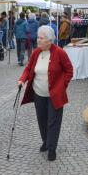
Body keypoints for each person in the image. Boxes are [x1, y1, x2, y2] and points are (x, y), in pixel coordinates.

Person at [17, 26, 73, 161]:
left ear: (49, 40)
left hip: (55, 94)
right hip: (38, 93)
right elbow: (29, 67)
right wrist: (22, 80)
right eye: (38, 37)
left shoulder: (59, 52)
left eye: (41, 38)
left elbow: (69, 70)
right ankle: (45, 141)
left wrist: (62, 85)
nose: (38, 40)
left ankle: (52, 147)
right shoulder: (36, 53)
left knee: (53, 121)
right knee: (42, 120)